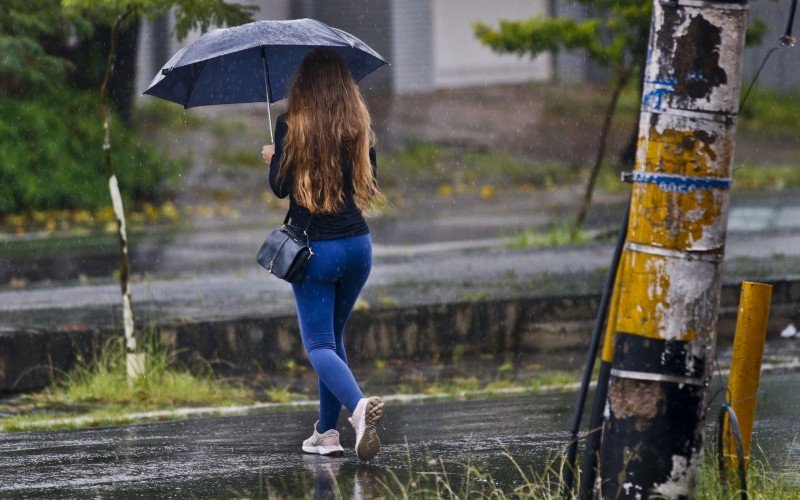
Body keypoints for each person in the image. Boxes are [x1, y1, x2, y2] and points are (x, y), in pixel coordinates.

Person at [261, 47, 386, 461]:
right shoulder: (359, 125)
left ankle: (359, 408)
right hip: (358, 248)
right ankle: (325, 433)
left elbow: (280, 187)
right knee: (332, 340)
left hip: (317, 252)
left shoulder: (290, 125)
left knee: (318, 346)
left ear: (304, 85)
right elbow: (369, 181)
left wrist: (275, 156)